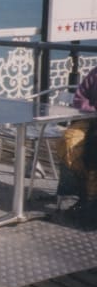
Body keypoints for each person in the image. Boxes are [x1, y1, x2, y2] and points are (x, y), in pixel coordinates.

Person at [58, 66, 97, 224]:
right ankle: (78, 193)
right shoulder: (95, 73)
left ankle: (91, 199)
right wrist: (93, 110)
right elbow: (79, 98)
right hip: (90, 119)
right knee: (69, 142)